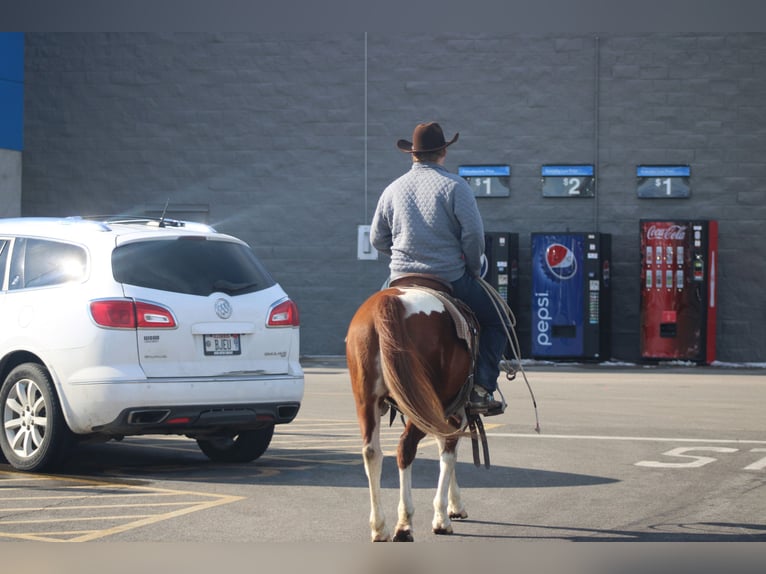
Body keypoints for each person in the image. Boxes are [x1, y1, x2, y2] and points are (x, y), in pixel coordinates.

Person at [369, 121, 506, 414]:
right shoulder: (457, 186)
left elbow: (377, 238)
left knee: (373, 323)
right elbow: (473, 236)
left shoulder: (393, 188)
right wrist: (471, 266)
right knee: (497, 321)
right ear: (443, 152)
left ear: (413, 155)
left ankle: (377, 386)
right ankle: (482, 389)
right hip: (448, 276)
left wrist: (400, 256)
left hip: (401, 277)